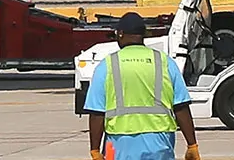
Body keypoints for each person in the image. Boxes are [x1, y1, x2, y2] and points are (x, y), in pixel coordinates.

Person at [84, 12, 197, 160]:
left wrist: (95, 149)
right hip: (159, 141)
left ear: (120, 34)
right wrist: (192, 145)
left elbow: (97, 112)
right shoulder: (164, 62)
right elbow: (181, 106)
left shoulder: (107, 65)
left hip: (120, 144)